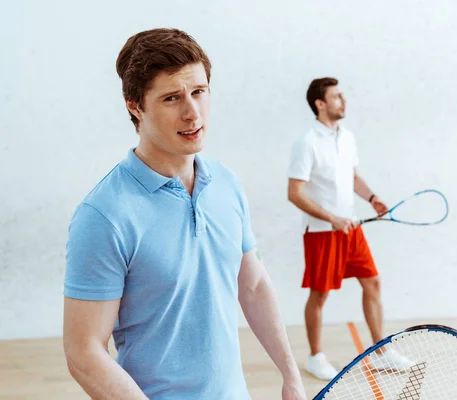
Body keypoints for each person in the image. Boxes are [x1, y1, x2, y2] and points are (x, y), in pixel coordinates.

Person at [63, 28, 306, 400]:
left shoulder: (225, 183)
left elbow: (253, 286)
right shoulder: (103, 215)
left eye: (199, 92)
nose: (192, 113)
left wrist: (291, 375)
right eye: (172, 98)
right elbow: (84, 352)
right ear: (135, 105)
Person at [287, 77, 415, 380]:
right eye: (337, 96)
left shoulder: (347, 137)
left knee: (372, 282)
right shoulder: (306, 143)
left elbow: (352, 176)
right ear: (320, 104)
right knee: (320, 296)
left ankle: (382, 352)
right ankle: (315, 357)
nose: (344, 101)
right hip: (322, 232)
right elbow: (295, 193)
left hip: (352, 228)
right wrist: (332, 218)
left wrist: (372, 198)